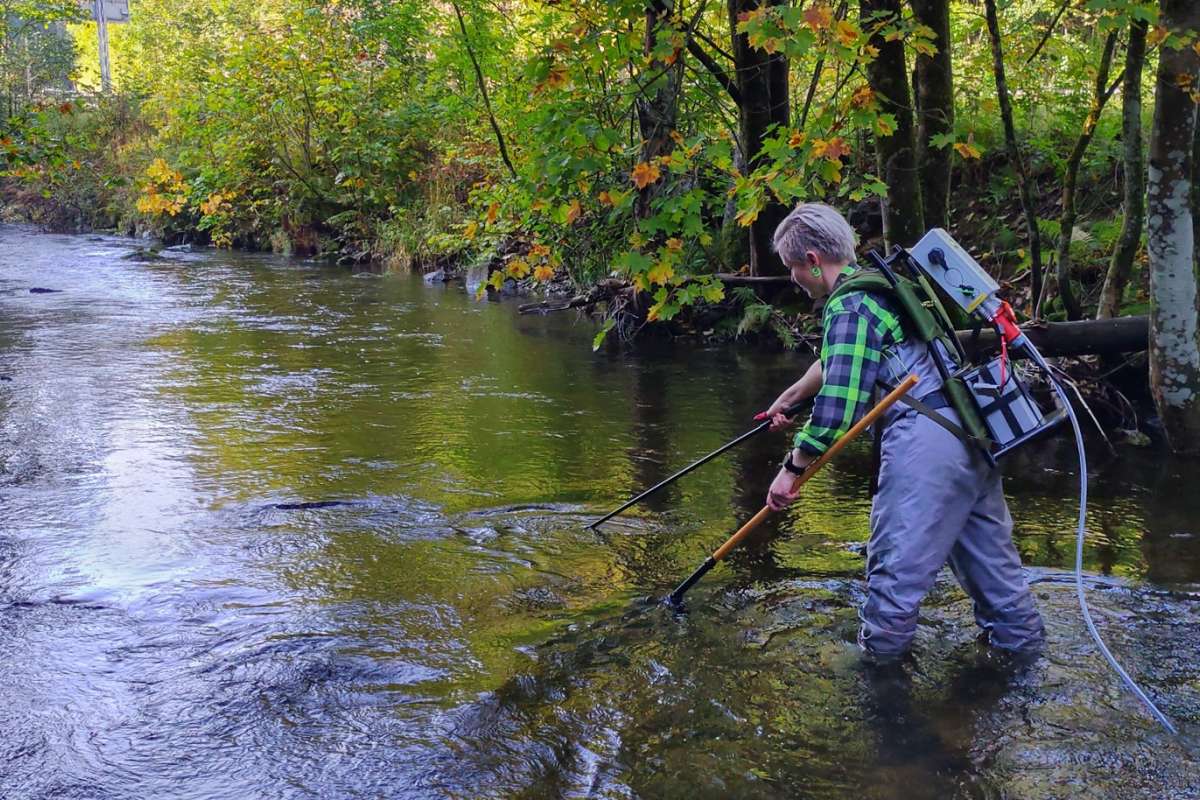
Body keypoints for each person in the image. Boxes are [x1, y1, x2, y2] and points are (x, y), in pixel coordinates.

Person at [761, 202, 1044, 661]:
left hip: (925, 448)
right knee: (1000, 587)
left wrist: (792, 469)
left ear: (812, 260)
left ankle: (884, 704)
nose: (793, 278)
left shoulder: (848, 305)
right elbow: (839, 361)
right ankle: (1025, 673)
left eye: (792, 267)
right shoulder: (881, 288)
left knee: (890, 583)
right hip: (971, 435)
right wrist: (791, 396)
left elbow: (840, 407)